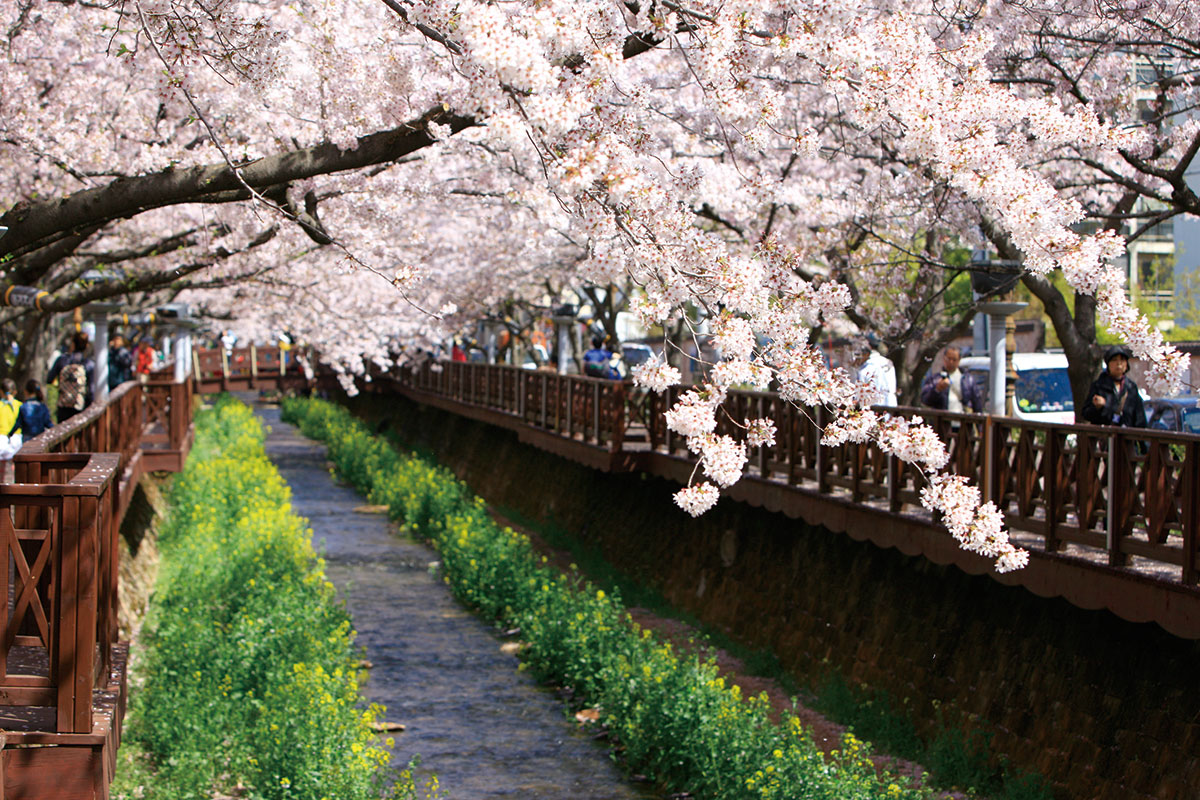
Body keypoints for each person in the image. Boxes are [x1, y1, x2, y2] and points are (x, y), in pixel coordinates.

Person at [1082, 344, 1146, 428]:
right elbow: (1086, 414)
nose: (1119, 363)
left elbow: (1139, 417)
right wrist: (1097, 407)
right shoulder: (1099, 385)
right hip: (1105, 435)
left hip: (1126, 437)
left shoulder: (1131, 387)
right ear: (1108, 364)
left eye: (1122, 360)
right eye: (1114, 360)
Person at [48, 331, 94, 423]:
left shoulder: (62, 360)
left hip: (63, 404)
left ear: (73, 344)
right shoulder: (88, 364)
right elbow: (91, 390)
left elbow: (49, 379)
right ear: (86, 345)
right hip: (80, 406)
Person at [920, 345, 984, 413]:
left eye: (954, 360)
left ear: (959, 360)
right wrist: (937, 389)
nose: (951, 362)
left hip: (963, 420)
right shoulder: (935, 379)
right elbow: (925, 400)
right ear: (944, 359)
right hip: (943, 420)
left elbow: (977, 403)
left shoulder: (968, 379)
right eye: (949, 359)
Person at [849, 337, 898, 407]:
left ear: (867, 354)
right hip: (891, 403)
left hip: (873, 405)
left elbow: (859, 394)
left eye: (859, 355)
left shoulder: (865, 369)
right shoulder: (888, 362)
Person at [0, 379, 22, 462]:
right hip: (16, 439)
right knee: (15, 463)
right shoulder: (20, 405)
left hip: (1, 438)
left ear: (1, 391)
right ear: (15, 392)